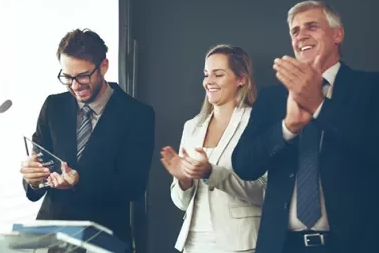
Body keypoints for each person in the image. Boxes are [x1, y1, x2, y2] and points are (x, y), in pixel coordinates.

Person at [232, 0, 379, 253]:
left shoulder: (370, 87)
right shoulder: (271, 98)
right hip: (282, 246)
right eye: (295, 31)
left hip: (353, 244)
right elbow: (244, 165)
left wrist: (319, 105)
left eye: (312, 26)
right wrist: (287, 127)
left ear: (337, 34)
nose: (302, 36)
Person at [19, 28, 155, 249]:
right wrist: (34, 179)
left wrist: (79, 181)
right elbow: (36, 183)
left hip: (105, 240)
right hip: (53, 240)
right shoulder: (53, 106)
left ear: (103, 66)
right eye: (67, 77)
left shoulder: (137, 114)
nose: (74, 85)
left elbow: (134, 187)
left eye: (82, 76)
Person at [161, 44, 266, 253]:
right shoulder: (192, 127)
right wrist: (184, 179)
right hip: (194, 244)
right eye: (206, 74)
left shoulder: (257, 122)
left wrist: (211, 173)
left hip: (240, 245)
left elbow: (264, 191)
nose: (209, 81)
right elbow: (181, 203)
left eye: (218, 74)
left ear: (241, 79)